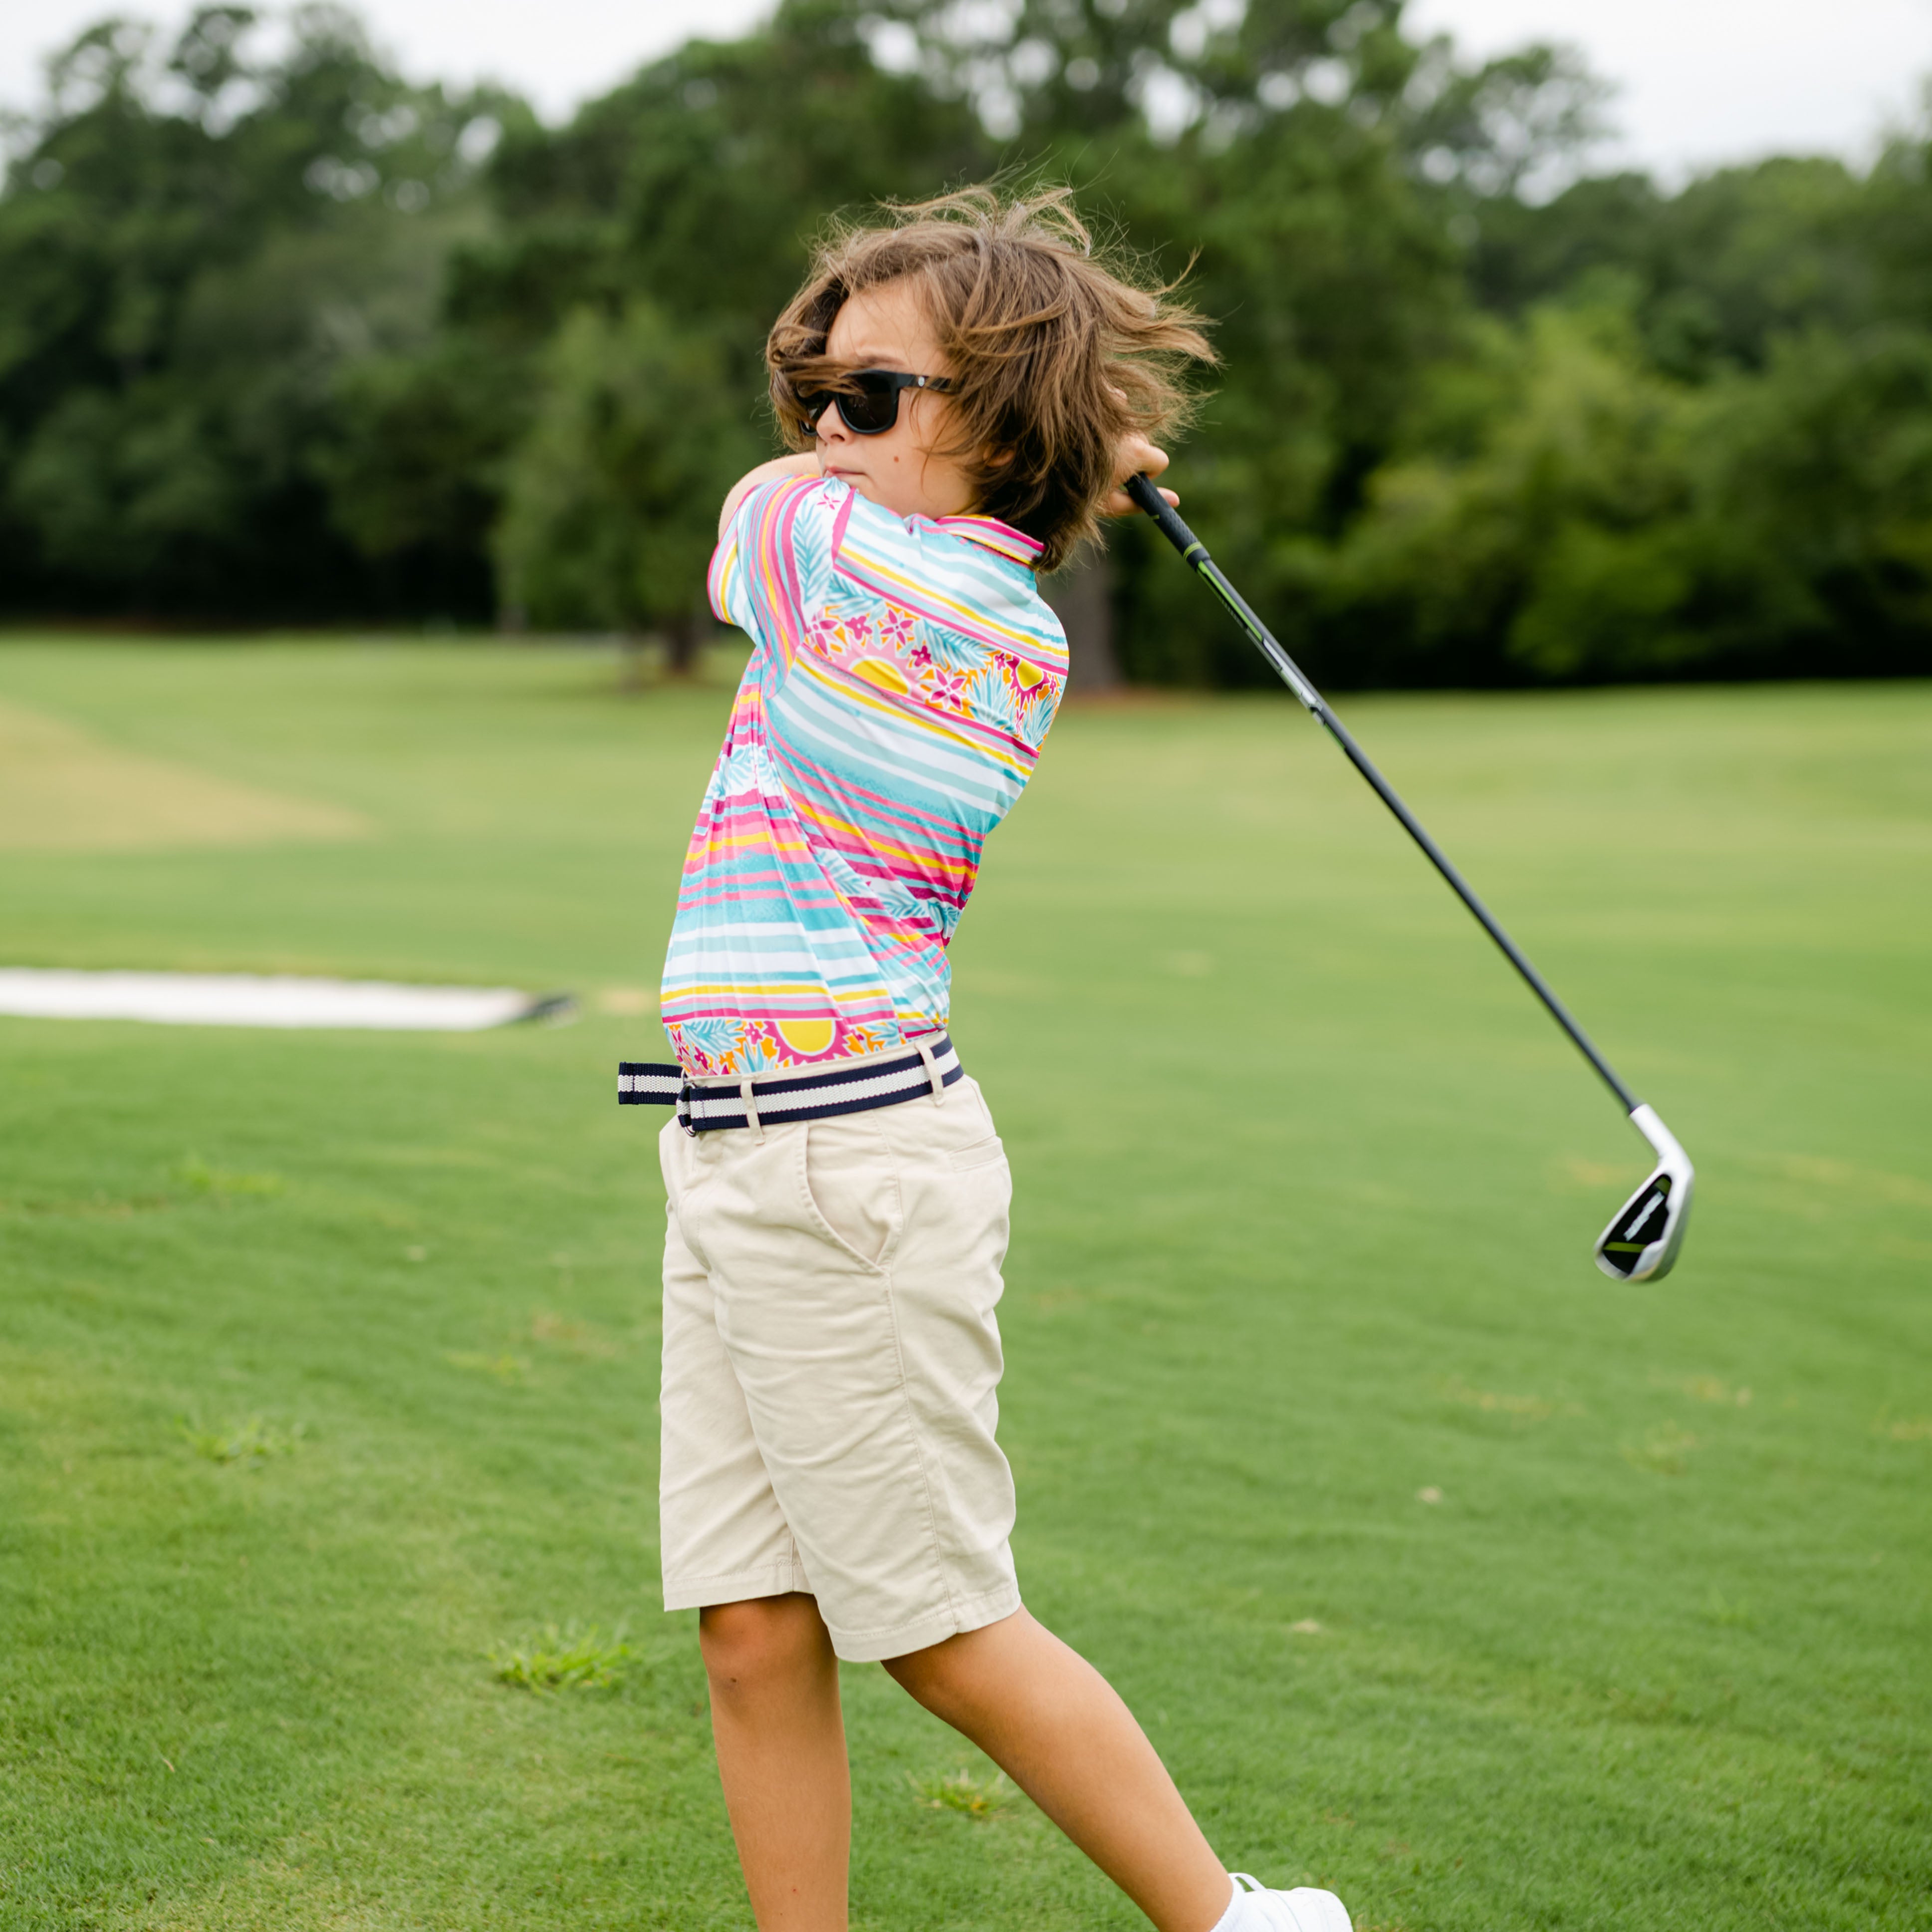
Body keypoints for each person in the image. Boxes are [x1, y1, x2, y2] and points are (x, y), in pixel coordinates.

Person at [619, 186, 1350, 1932]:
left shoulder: (925, 599)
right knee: (752, 1626)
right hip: (735, 1150)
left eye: (873, 395)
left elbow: (752, 514)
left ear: (1001, 421)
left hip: (846, 1174)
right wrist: (1050, 449)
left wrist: (1057, 451)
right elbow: (839, 491)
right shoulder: (899, 547)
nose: (826, 428)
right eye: (820, 392)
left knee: (940, 1629)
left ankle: (1242, 1925)